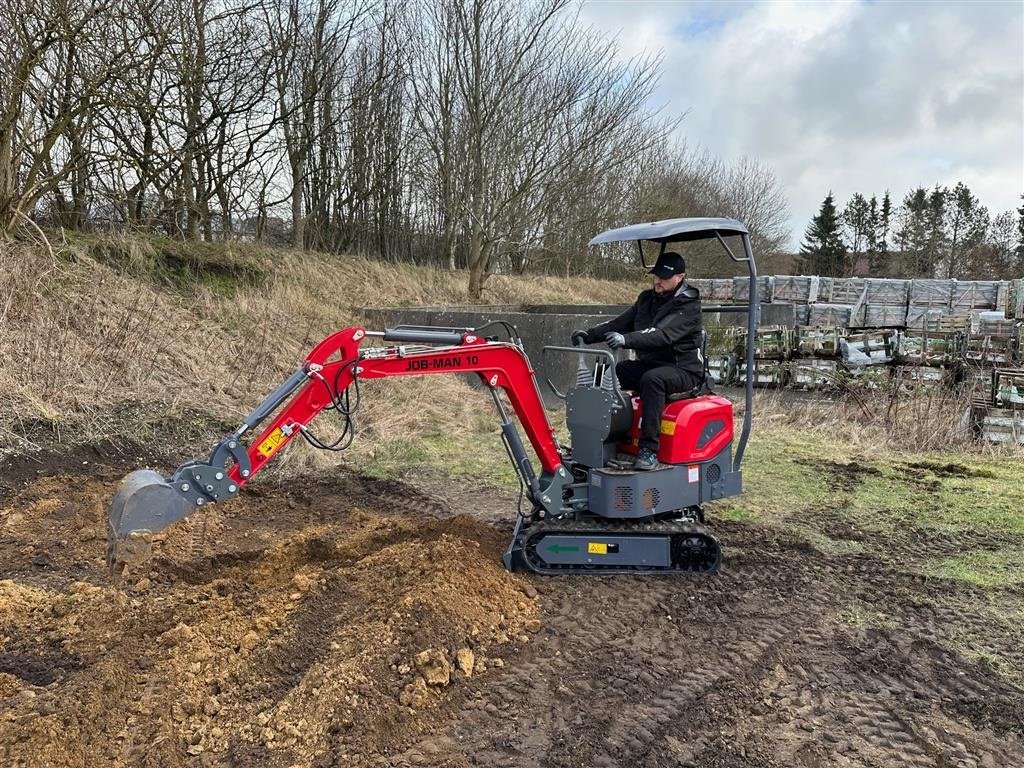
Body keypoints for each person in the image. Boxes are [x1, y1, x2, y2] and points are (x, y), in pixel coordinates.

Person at [572, 251, 703, 470]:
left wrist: (626, 340)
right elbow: (621, 322)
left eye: (664, 276)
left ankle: (648, 450)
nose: (658, 280)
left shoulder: (688, 306)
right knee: (617, 371)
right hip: (652, 364)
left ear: (680, 277)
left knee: (653, 380)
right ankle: (602, 437)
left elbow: (662, 334)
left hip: (682, 369)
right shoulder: (646, 299)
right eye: (656, 275)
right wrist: (589, 335)